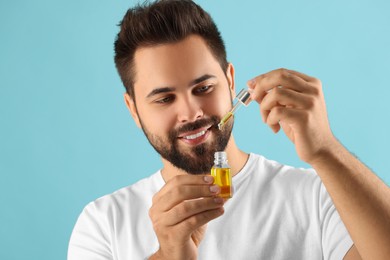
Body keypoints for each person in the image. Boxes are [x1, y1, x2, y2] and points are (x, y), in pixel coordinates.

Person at [68, 0, 390, 259]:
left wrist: (326, 150)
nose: (192, 112)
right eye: (165, 98)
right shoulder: (103, 225)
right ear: (133, 109)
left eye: (204, 87)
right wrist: (168, 256)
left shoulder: (318, 196)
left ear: (230, 81)